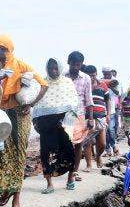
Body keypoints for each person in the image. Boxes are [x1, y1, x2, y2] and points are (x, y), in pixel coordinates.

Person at [0, 34, 48, 207]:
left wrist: (31, 104)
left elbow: (43, 85)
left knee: (19, 154)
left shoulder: (21, 66)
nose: (2, 53)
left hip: (19, 115)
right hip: (0, 115)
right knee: (0, 155)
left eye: (5, 49)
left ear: (11, 49)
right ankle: (6, 190)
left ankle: (16, 199)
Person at [32, 58, 78, 193]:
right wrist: (35, 121)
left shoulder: (67, 83)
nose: (53, 71)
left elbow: (74, 103)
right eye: (50, 68)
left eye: (55, 68)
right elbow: (37, 103)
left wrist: (66, 121)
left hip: (63, 123)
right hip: (46, 124)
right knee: (46, 153)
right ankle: (49, 184)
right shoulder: (42, 83)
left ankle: (70, 178)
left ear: (60, 68)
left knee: (68, 151)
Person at [63, 51, 94, 182]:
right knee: (65, 142)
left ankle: (74, 170)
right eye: (73, 65)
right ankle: (64, 166)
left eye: (78, 65)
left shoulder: (86, 78)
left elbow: (89, 99)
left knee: (78, 143)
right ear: (68, 63)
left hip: (79, 113)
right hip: (64, 113)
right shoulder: (63, 76)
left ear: (81, 65)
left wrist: (91, 118)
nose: (75, 67)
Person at [82, 65, 110, 172]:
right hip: (86, 116)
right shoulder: (84, 85)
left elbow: (107, 100)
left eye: (93, 75)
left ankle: (98, 156)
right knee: (87, 142)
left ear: (96, 74)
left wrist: (108, 114)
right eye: (89, 76)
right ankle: (89, 164)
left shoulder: (102, 85)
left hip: (101, 116)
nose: (91, 78)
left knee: (102, 143)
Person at [101, 64, 120, 157]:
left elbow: (118, 93)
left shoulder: (115, 81)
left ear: (111, 72)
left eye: (108, 74)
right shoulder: (100, 80)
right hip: (101, 109)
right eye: (105, 74)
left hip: (111, 109)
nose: (106, 76)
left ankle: (114, 146)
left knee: (110, 129)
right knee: (104, 131)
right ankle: (108, 150)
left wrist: (110, 86)